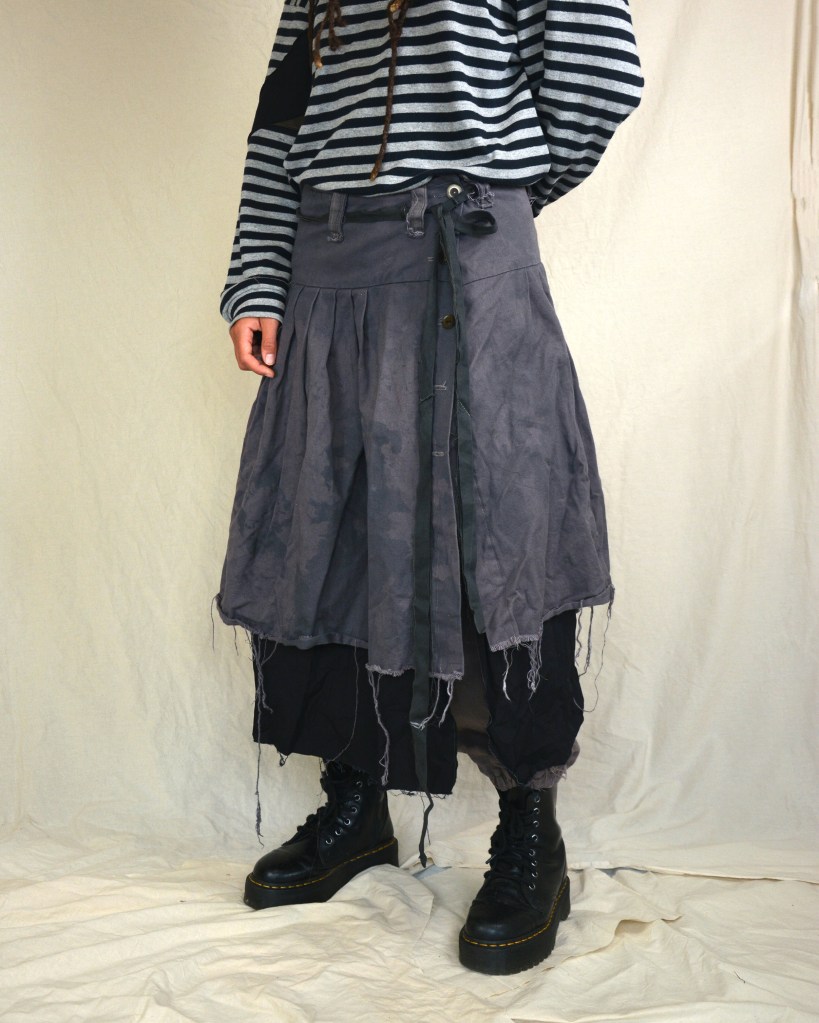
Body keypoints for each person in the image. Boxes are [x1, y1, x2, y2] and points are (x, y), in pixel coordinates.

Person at [213, 0, 643, 976]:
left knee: (495, 538)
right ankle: (356, 803)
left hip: (465, 258)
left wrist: (494, 188)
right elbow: (282, 119)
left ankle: (530, 828)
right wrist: (259, 278)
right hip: (327, 274)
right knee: (333, 534)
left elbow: (597, 75)